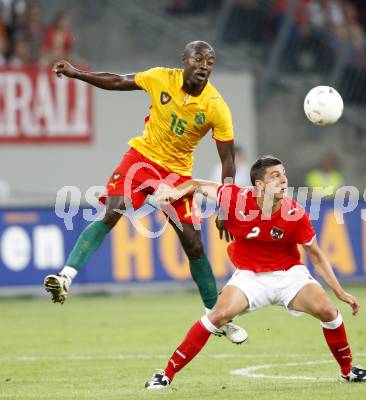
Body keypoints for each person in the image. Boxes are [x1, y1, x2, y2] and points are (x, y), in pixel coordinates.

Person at [43, 41, 247, 344]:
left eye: (210, 61)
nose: (205, 65)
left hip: (176, 175)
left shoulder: (216, 106)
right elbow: (118, 81)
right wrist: (77, 74)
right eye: (199, 59)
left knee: (193, 245)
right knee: (112, 211)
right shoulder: (160, 77)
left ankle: (217, 316)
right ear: (184, 61)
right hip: (141, 159)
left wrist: (225, 206)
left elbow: (228, 161)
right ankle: (65, 276)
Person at [145, 155, 366, 389]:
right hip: (250, 277)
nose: (284, 180)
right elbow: (196, 184)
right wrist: (176, 192)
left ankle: (348, 371)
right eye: (275, 176)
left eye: (284, 174)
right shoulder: (236, 198)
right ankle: (165, 374)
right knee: (217, 317)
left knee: (328, 311)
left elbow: (316, 255)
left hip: (290, 275)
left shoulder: (295, 214)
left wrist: (339, 292)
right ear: (259, 184)